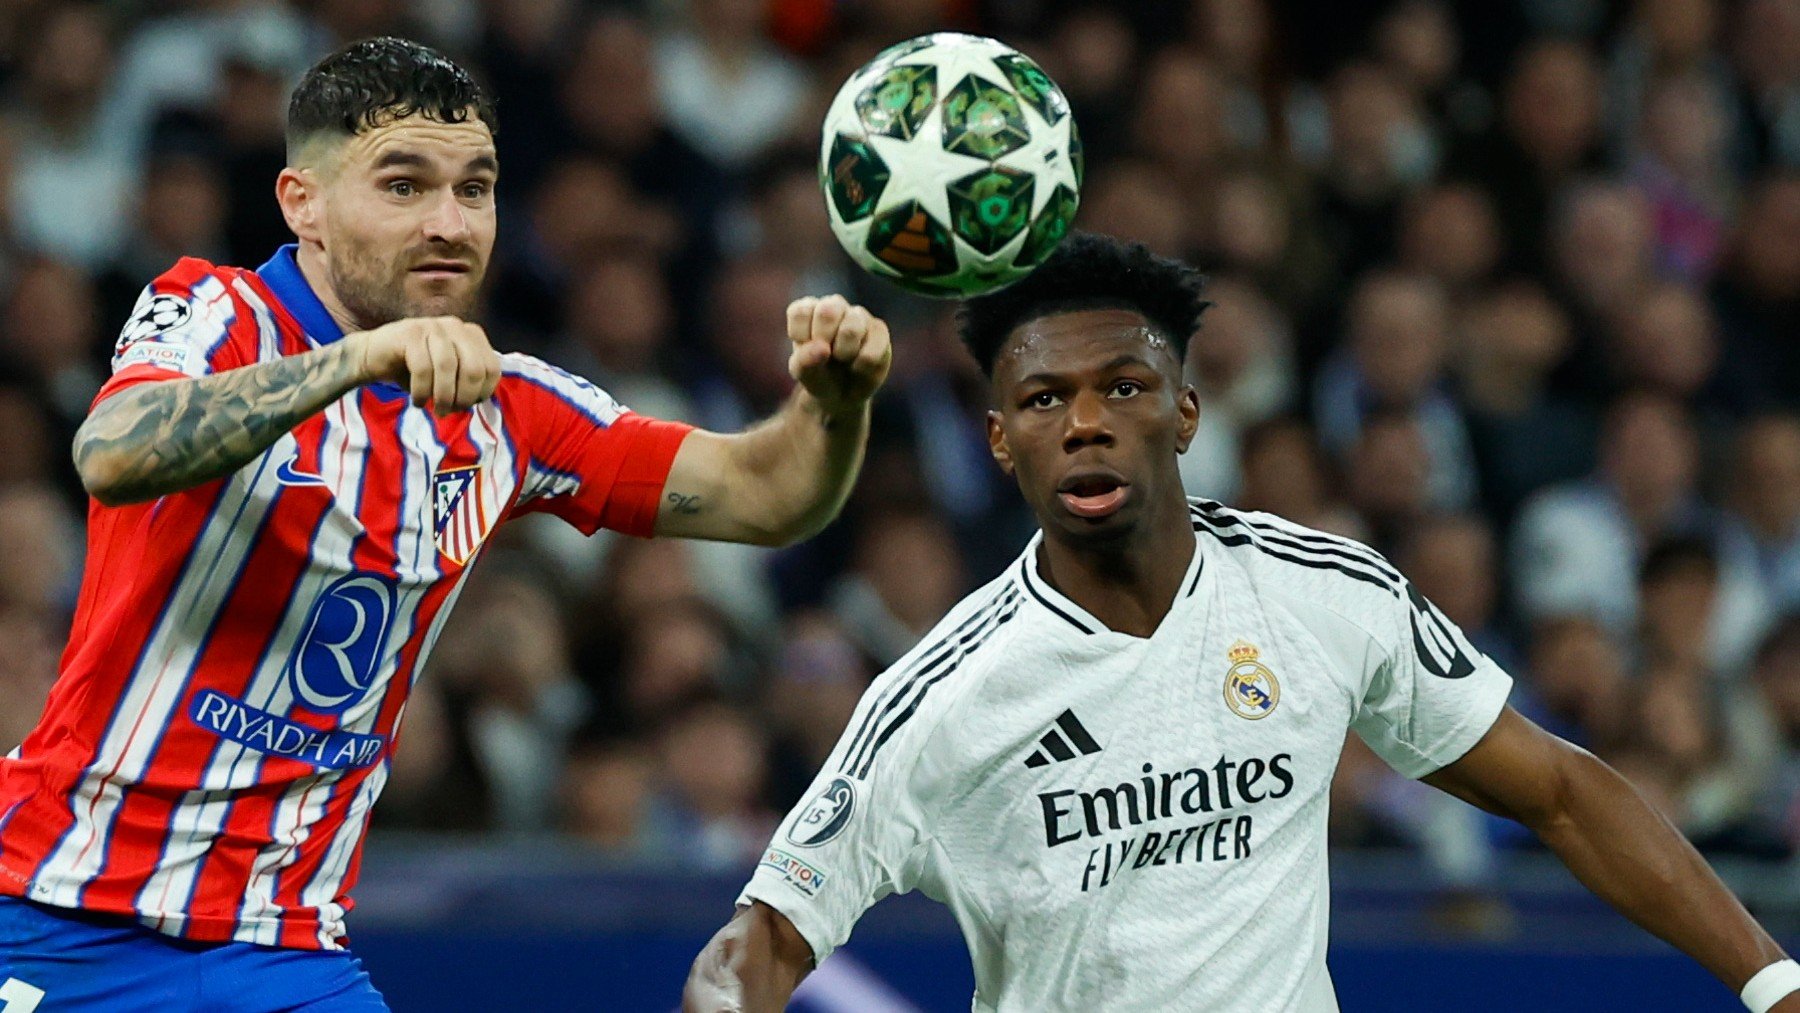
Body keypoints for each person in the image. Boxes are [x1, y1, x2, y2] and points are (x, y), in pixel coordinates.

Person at [682, 233, 1799, 1013]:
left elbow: (1560, 789)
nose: (1082, 423)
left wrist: (1774, 980)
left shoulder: (1323, 591)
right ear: (998, 443)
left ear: (1186, 411)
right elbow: (763, 938)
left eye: (1122, 386)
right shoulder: (944, 695)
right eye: (1040, 400)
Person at [0, 37, 892, 1012]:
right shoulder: (215, 312)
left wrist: (832, 410)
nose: (449, 222)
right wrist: (352, 361)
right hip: (60, 910)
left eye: (476, 188)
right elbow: (114, 450)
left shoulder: (509, 411)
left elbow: (763, 496)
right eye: (403, 185)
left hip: (287, 946)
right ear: (304, 204)